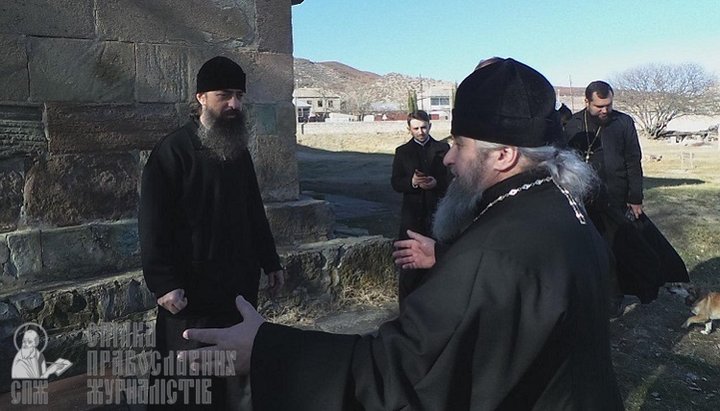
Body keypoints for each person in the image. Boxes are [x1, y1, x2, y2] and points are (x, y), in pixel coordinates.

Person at [181, 58, 623, 410]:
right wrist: (450, 256)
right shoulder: (559, 206)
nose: (448, 158)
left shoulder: (497, 248)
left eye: (460, 145)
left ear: (504, 155)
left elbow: (401, 373)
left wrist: (267, 349)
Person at [139, 56, 284, 409]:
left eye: (239, 95)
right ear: (201, 97)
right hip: (191, 296)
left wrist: (270, 261)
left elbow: (253, 210)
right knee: (187, 386)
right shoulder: (172, 151)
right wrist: (163, 282)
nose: (235, 104)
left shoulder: (238, 151)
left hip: (237, 291)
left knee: (233, 387)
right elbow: (153, 222)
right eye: (224, 95)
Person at [390, 110, 451, 303]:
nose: (420, 132)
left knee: (438, 265)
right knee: (409, 267)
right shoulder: (402, 152)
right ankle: (406, 309)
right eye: (416, 128)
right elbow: (396, 182)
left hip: (437, 214)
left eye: (423, 127)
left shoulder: (443, 148)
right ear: (409, 129)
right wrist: (413, 182)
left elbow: (452, 178)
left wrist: (436, 182)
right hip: (413, 216)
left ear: (430, 126)